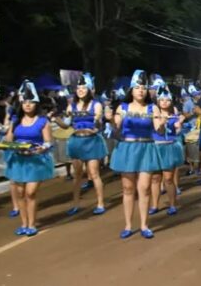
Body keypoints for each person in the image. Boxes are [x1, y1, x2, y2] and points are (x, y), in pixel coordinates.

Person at [109, 70, 165, 239]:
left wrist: (162, 123)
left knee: (145, 188)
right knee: (128, 188)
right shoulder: (122, 107)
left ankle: (144, 225)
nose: (141, 90)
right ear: (131, 90)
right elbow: (116, 128)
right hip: (127, 148)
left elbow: (159, 131)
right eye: (137, 87)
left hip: (146, 148)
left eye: (143, 88)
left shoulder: (153, 108)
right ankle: (128, 225)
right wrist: (110, 119)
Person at [1, 80, 55, 237]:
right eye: (25, 102)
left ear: (36, 104)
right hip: (18, 160)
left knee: (30, 193)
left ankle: (32, 224)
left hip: (35, 161)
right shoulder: (15, 121)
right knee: (19, 193)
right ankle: (24, 224)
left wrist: (43, 148)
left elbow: (48, 141)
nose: (27, 105)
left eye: (31, 102)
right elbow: (8, 140)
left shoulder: (43, 121)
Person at [56, 74, 108, 216]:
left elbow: (98, 122)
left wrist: (97, 121)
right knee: (77, 175)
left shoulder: (96, 104)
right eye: (78, 88)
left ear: (89, 90)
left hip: (91, 141)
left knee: (94, 173)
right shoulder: (71, 105)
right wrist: (55, 119)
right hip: (76, 141)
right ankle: (75, 204)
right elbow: (66, 125)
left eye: (84, 88)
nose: (80, 90)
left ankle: (100, 203)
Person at [150, 84, 184, 216]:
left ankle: (172, 204)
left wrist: (179, 125)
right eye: (162, 100)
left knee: (168, 179)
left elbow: (177, 131)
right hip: (156, 147)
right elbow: (158, 130)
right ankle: (154, 205)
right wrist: (162, 121)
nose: (164, 102)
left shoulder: (174, 114)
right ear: (158, 101)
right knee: (155, 178)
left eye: (167, 100)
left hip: (169, 147)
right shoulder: (154, 113)